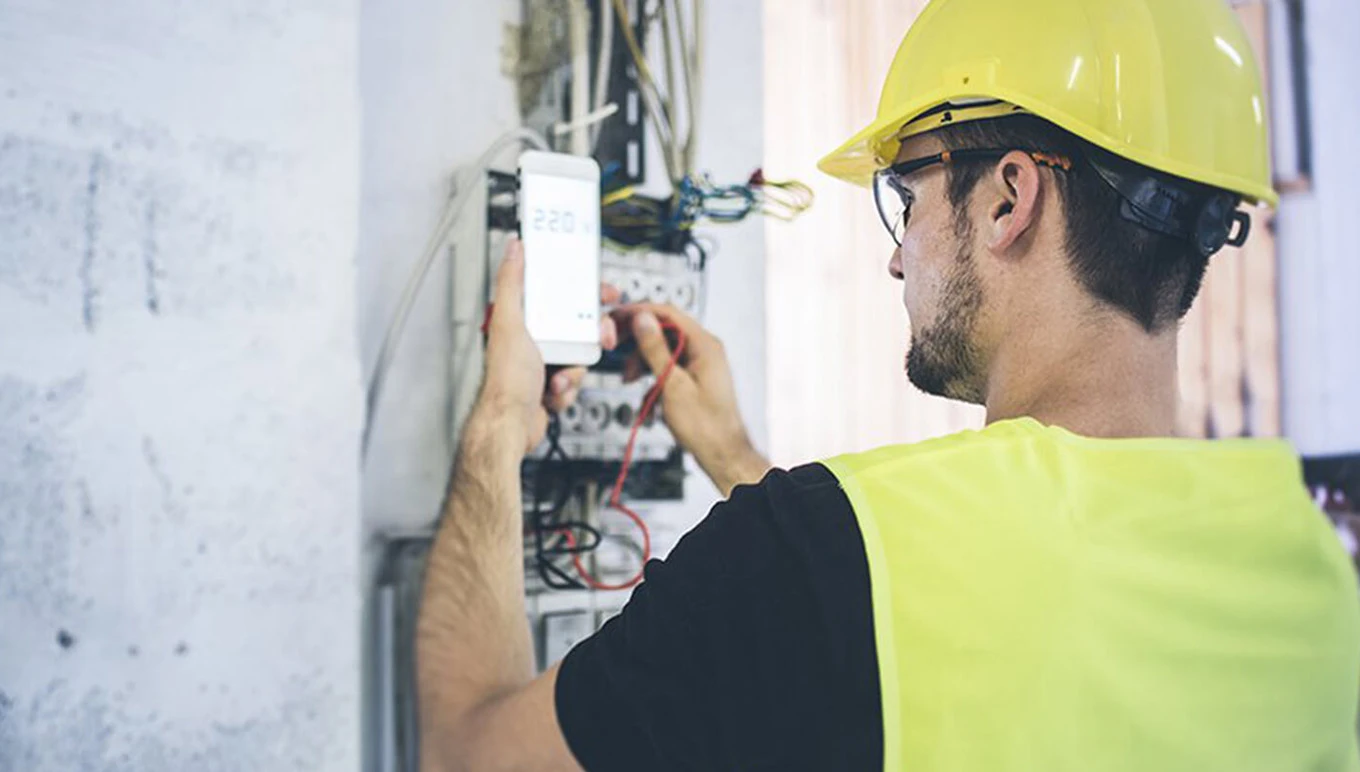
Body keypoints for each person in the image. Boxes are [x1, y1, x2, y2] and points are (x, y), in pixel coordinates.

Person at [415, 0, 1360, 769]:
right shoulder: (1315, 574)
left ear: (1007, 198)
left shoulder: (808, 553)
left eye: (906, 197)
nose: (898, 261)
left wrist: (501, 421)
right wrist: (737, 458)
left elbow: (469, 751)